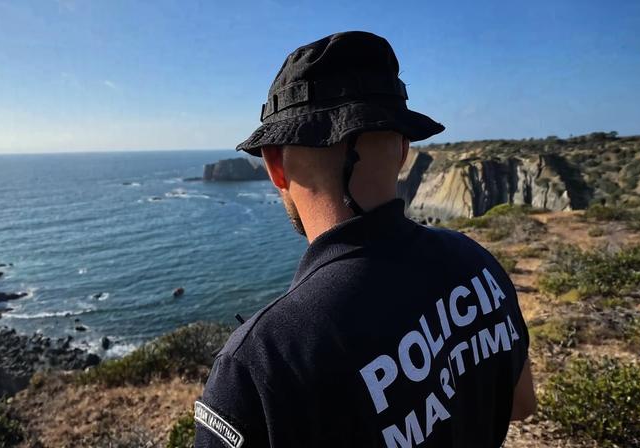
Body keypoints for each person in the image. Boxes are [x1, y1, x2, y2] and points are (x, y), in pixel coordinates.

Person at [194, 31, 535, 448]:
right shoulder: (479, 266)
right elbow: (521, 404)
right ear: (405, 149)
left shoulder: (260, 362)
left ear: (275, 166)